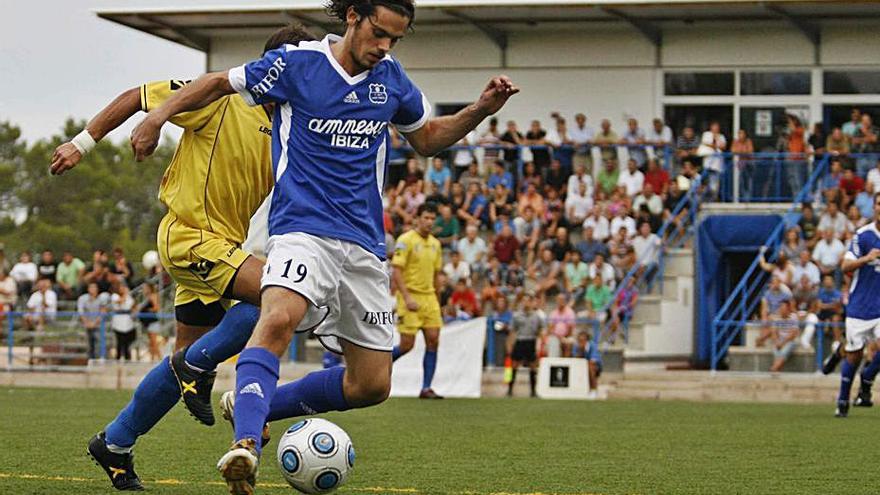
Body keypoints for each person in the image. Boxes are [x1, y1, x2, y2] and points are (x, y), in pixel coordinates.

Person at [128, 3, 519, 490]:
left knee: (371, 384)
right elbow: (214, 81)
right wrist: (158, 116)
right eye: (379, 34)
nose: (384, 48)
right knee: (276, 318)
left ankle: (252, 402)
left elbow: (428, 139)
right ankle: (246, 446)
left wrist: (480, 109)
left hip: (363, 245)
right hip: (301, 231)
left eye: (394, 40)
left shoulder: (391, 80)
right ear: (353, 16)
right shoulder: (298, 65)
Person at [51, 26, 318, 490]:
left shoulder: (291, 125)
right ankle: (204, 370)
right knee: (284, 296)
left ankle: (115, 443)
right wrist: (83, 143)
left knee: (181, 363)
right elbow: (139, 95)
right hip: (189, 236)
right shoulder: (221, 96)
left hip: (220, 253)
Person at [835, 193, 880, 418]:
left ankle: (867, 379)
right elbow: (845, 265)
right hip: (861, 306)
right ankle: (843, 400)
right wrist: (867, 258)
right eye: (879, 204)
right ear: (874, 208)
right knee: (854, 355)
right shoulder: (863, 236)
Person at [506, 293, 543, 397]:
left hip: (531, 341)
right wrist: (509, 344)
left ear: (532, 302)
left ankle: (533, 391)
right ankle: (510, 390)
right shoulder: (516, 316)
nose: (526, 303)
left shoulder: (537, 316)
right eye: (524, 301)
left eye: (528, 301)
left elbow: (541, 330)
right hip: (520, 341)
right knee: (514, 365)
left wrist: (540, 343)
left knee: (533, 367)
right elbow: (512, 331)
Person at [77, 282, 106, 359]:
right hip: (85, 324)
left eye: (94, 287)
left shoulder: (102, 298)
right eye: (91, 287)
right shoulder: (82, 298)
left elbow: (103, 312)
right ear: (88, 289)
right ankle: (89, 360)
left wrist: (94, 323)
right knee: (88, 344)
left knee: (99, 342)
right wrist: (87, 323)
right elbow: (81, 312)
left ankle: (100, 359)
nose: (93, 289)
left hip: (97, 324)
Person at [571, 331, 602, 399]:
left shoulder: (593, 345)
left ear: (587, 340)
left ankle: (593, 390)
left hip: (595, 366)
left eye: (582, 340)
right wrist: (580, 351)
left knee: (590, 367)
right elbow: (574, 358)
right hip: (581, 366)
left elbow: (593, 360)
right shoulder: (576, 346)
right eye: (579, 340)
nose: (580, 342)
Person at [110, 284, 137, 361]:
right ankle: (118, 359)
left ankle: (128, 359)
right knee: (119, 342)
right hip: (118, 321)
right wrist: (126, 294)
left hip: (128, 322)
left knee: (127, 343)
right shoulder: (114, 296)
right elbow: (120, 302)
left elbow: (133, 307)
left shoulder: (129, 298)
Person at [139, 283, 163, 362]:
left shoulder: (153, 296)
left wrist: (147, 310)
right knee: (151, 343)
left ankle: (160, 359)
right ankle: (152, 359)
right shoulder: (146, 297)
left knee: (154, 343)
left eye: (145, 288)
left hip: (153, 322)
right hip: (148, 323)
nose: (144, 290)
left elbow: (156, 308)